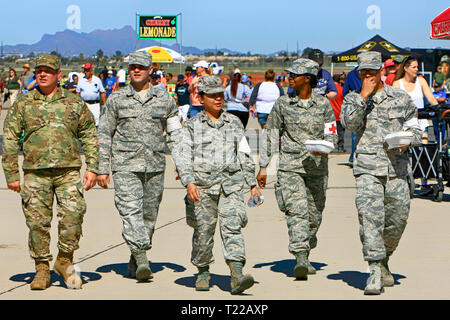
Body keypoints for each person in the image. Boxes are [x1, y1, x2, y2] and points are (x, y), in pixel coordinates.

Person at [2, 54, 99, 290]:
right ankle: (42, 268)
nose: (42, 74)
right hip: (36, 173)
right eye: (39, 71)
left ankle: (64, 261)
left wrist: (93, 168)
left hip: (69, 171)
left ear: (59, 75)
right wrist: (12, 174)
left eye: (48, 70)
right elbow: (10, 139)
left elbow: (89, 134)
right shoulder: (23, 104)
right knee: (37, 223)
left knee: (73, 216)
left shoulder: (74, 103)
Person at [341, 51, 422, 295]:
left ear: (381, 72)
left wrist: (409, 140)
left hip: (397, 169)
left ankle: (384, 258)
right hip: (367, 169)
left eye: (372, 72)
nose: (368, 76)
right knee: (371, 219)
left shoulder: (401, 98)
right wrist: (364, 97)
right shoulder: (353, 100)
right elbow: (350, 125)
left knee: (397, 221)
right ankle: (374, 270)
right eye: (363, 73)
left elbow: (415, 129)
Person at [172, 75, 261, 294]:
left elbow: (244, 154)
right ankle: (203, 270)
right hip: (202, 188)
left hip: (230, 187)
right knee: (203, 232)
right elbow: (182, 155)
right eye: (212, 96)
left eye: (220, 95)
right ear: (201, 99)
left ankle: (237, 274)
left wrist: (252, 184)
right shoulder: (192, 126)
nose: (218, 100)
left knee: (233, 229)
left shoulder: (234, 123)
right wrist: (189, 182)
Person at [97, 51, 181, 281]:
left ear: (150, 70)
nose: (136, 70)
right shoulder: (116, 99)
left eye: (141, 67)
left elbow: (175, 134)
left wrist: (180, 163)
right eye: (133, 66)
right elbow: (104, 133)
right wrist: (102, 167)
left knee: (149, 216)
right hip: (125, 164)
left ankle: (135, 258)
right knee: (130, 212)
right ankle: (143, 258)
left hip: (154, 165)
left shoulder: (164, 100)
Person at [256, 58, 338, 280]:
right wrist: (263, 167)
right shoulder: (283, 104)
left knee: (314, 215)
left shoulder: (323, 105)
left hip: (317, 167)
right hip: (291, 166)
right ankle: (300, 256)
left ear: (308, 79)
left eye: (295, 75)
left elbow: (332, 132)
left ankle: (306, 246)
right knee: (297, 211)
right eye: (289, 74)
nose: (289, 78)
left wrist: (327, 145)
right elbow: (271, 134)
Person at [392, 56, 439, 195]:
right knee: (406, 152)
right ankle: (406, 178)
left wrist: (438, 109)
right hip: (404, 123)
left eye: (417, 67)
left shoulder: (421, 81)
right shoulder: (397, 84)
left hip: (420, 121)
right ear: (406, 68)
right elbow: (394, 106)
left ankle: (424, 182)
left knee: (423, 149)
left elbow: (431, 98)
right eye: (414, 67)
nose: (416, 69)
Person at [343, 66, 362, 167]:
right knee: (354, 135)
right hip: (356, 107)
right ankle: (353, 157)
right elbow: (345, 92)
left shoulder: (371, 73)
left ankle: (356, 156)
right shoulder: (351, 75)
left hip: (370, 106)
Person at [76, 62, 106, 127]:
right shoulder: (81, 81)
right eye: (85, 70)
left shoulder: (97, 80)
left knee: (96, 121)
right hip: (85, 104)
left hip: (95, 104)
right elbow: (78, 94)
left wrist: (105, 104)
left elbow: (102, 93)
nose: (85, 72)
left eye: (87, 70)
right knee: (85, 121)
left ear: (91, 71)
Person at [331, 74, 346, 152]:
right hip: (339, 114)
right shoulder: (342, 90)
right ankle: (340, 148)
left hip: (331, 114)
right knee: (340, 133)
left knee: (330, 132)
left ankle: (330, 147)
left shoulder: (330, 90)